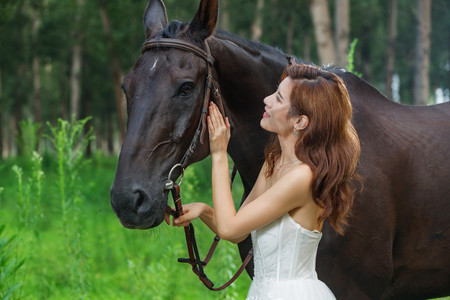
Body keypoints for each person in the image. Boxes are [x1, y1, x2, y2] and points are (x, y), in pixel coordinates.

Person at [165, 63, 361, 299]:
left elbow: (229, 227)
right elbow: (237, 232)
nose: (267, 100)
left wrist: (219, 155)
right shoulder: (274, 162)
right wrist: (203, 210)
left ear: (300, 121)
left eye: (278, 98)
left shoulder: (302, 177)